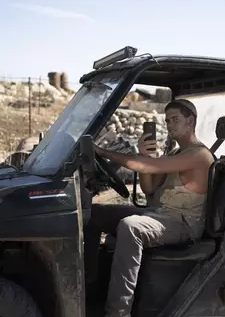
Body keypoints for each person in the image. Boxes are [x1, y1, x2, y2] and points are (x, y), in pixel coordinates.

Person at [84, 98, 215, 317]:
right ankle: (87, 285)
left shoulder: (199, 155)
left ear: (190, 121)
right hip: (161, 214)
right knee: (95, 213)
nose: (170, 125)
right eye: (167, 120)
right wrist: (145, 156)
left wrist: (102, 152)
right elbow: (149, 188)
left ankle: (118, 312)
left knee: (131, 227)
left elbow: (146, 167)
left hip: (183, 223)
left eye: (175, 119)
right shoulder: (174, 154)